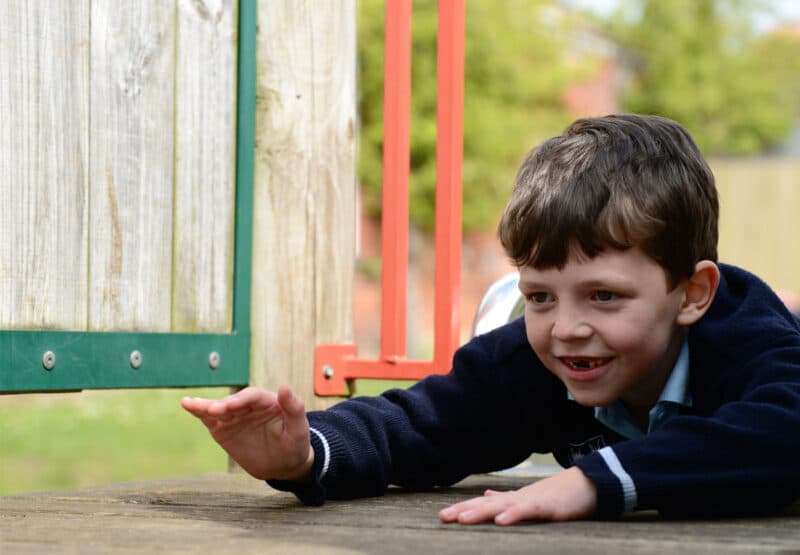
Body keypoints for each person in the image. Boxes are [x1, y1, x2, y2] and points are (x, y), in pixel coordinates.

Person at [182, 114, 800, 524]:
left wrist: (594, 482)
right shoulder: (531, 364)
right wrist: (307, 454)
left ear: (692, 293)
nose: (566, 328)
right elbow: (420, 424)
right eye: (539, 296)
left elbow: (784, 431)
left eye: (604, 297)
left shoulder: (745, 341)